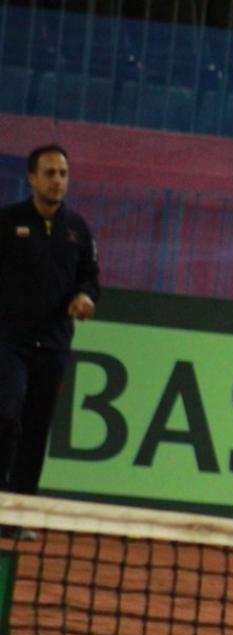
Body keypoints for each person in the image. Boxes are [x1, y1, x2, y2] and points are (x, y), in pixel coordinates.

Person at [0, 144, 100, 540]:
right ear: (31, 178)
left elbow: (90, 276)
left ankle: (20, 513)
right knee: (6, 415)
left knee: (37, 427)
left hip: (54, 344)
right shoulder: (7, 223)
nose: (57, 180)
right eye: (49, 173)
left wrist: (86, 296)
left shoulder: (78, 229)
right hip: (7, 340)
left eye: (62, 173)